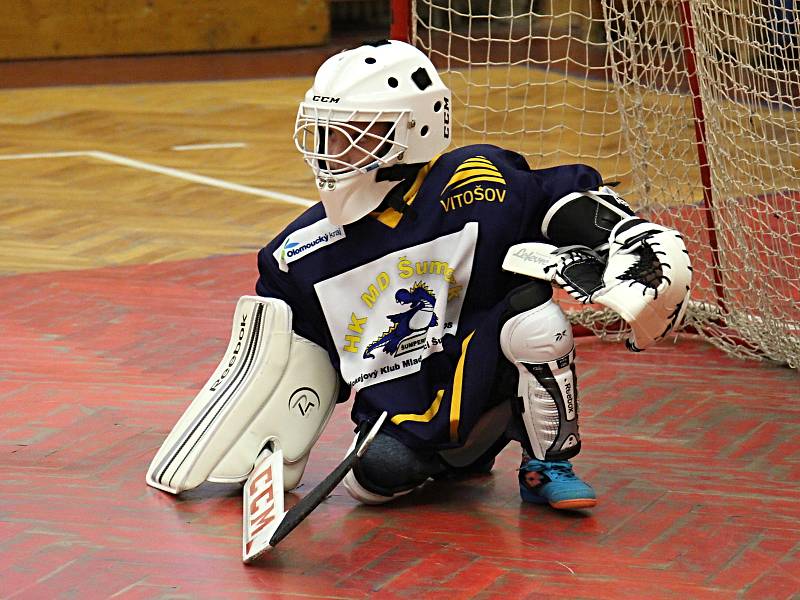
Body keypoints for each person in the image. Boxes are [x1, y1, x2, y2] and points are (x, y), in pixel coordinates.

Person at [250, 39, 692, 510]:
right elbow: (291, 365)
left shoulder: (477, 179)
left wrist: (624, 234)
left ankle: (547, 465)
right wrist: (256, 451)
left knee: (534, 318)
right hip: (406, 409)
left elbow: (551, 198)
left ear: (415, 129)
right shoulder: (297, 251)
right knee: (375, 476)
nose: (333, 152)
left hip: (489, 369)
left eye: (356, 133)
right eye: (329, 134)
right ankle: (466, 455)